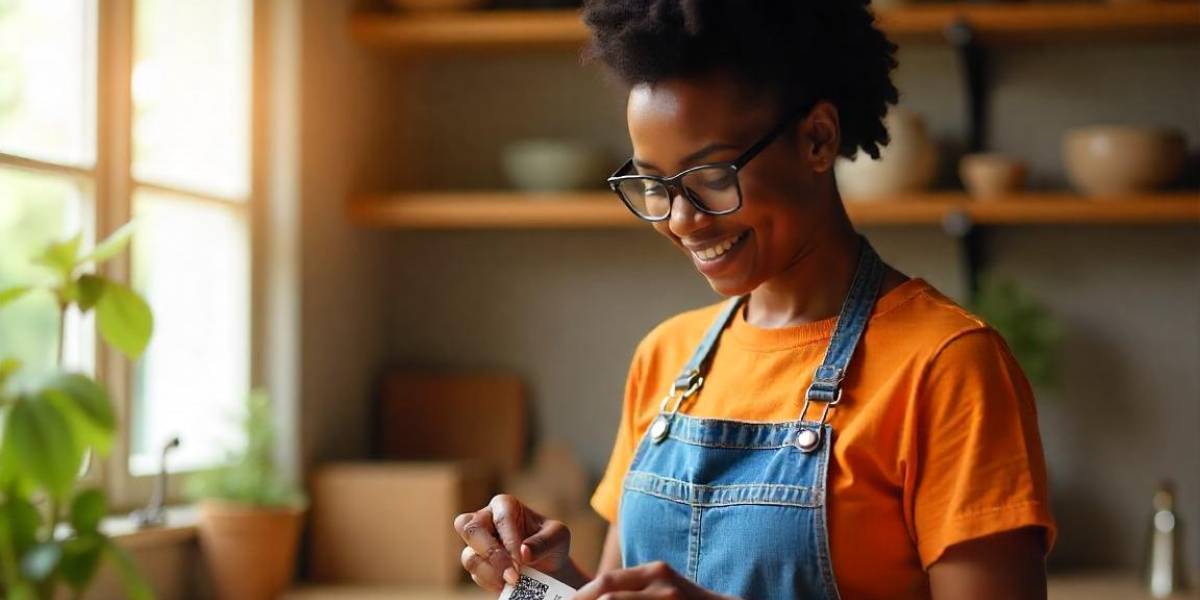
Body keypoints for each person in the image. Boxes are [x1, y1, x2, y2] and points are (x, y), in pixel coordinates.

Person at [453, 0, 1056, 598]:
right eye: (654, 184)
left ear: (818, 139)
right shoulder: (667, 356)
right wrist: (552, 580)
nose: (681, 219)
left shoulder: (948, 365)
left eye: (712, 176)